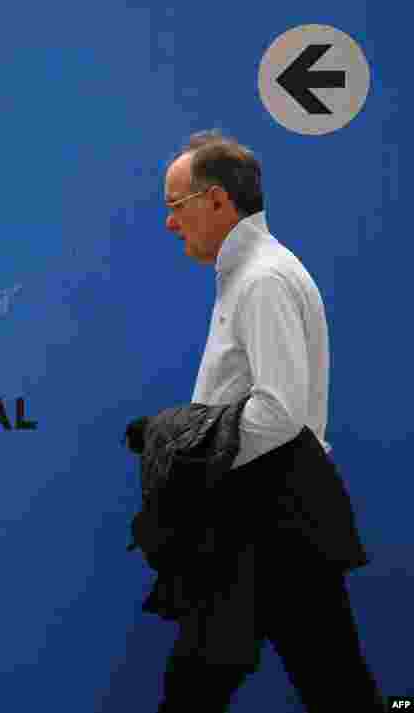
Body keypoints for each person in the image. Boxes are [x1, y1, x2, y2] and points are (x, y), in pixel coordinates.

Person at [156, 130, 385, 711]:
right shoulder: (253, 272)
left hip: (268, 516)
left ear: (216, 200)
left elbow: (278, 410)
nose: (169, 224)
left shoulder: (261, 279)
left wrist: (191, 454)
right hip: (272, 515)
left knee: (200, 684)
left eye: (175, 206)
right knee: (330, 683)